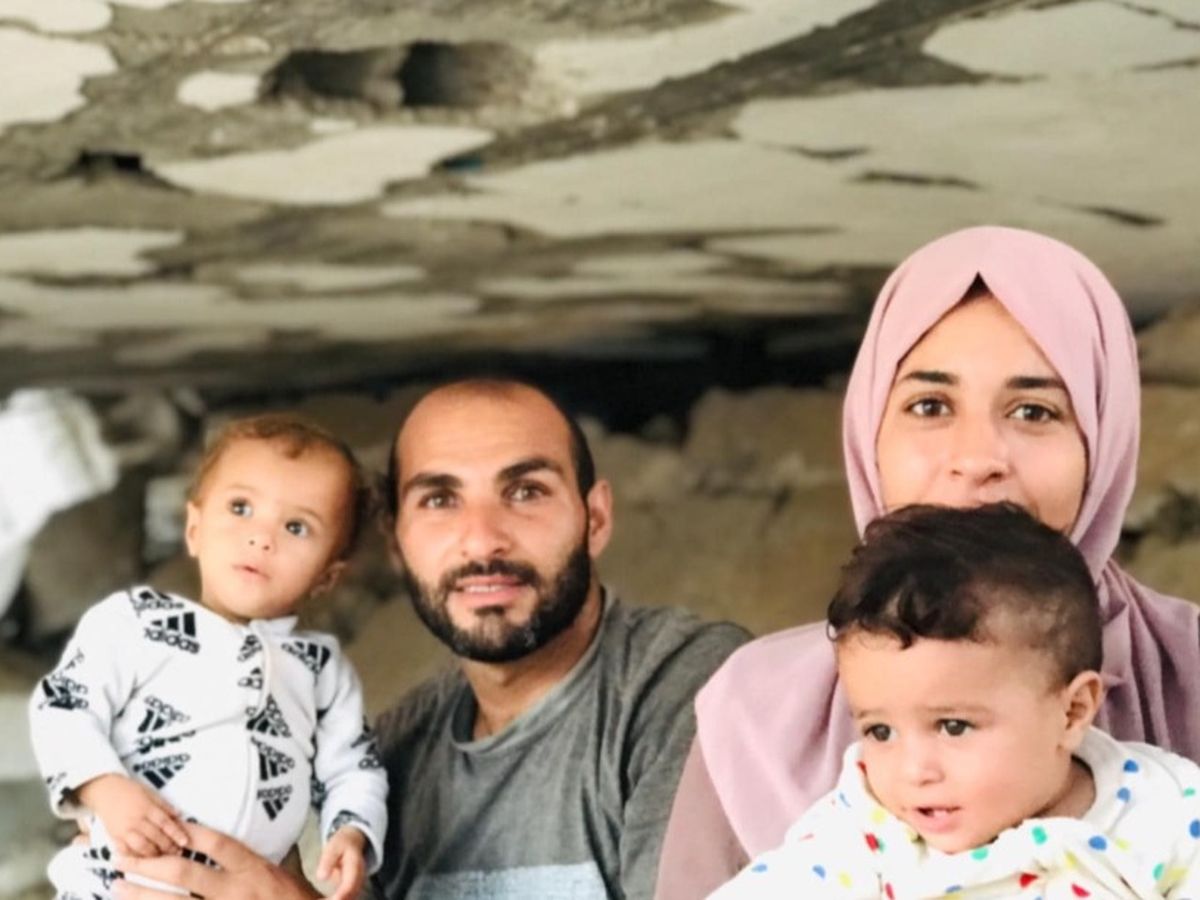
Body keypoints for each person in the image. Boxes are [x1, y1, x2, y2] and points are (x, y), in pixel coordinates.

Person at [654, 225, 1200, 898]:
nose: (977, 458)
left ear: (1104, 440)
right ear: (868, 434)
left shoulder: (1191, 674)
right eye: (930, 405)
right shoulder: (756, 715)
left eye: (1034, 411)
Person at [115, 378, 749, 900]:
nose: (482, 539)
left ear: (596, 519)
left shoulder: (694, 688)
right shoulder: (395, 754)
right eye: (440, 500)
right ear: (396, 542)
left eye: (525, 491)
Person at [711, 502, 1200, 899]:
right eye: (880, 732)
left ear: (1071, 712)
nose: (914, 771)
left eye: (953, 726)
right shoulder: (868, 829)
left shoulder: (1165, 808)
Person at [28, 413, 388, 900]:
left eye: (296, 526)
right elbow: (64, 706)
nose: (262, 537)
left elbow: (353, 765)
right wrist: (102, 786)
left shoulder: (320, 669)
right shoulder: (135, 622)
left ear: (327, 576)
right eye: (241, 507)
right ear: (194, 529)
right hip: (118, 880)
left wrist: (352, 830)